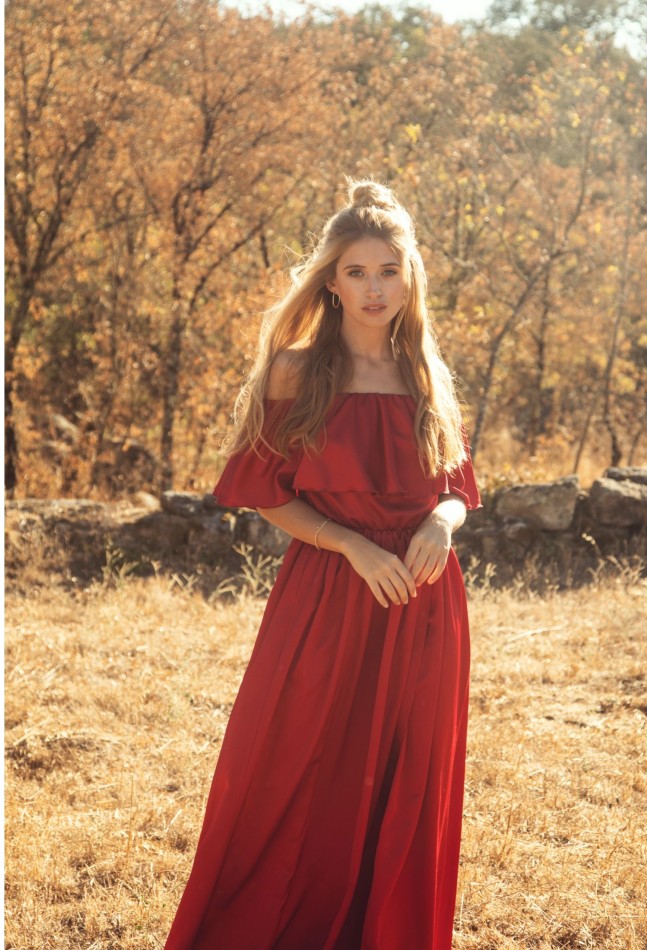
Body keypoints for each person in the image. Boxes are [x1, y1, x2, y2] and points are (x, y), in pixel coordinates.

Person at [164, 179, 481, 950]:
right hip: (329, 598)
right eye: (357, 272)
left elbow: (459, 490)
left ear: (410, 278)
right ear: (331, 282)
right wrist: (351, 544)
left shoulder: (426, 372)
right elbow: (264, 493)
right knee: (296, 771)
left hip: (425, 605)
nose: (375, 289)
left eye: (389, 272)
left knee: (409, 781)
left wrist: (441, 524)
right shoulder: (297, 371)